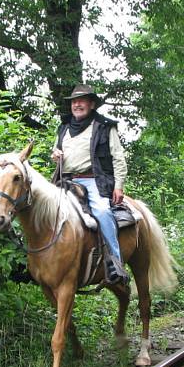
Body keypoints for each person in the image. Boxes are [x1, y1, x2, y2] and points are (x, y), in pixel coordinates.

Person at [51, 84, 129, 285]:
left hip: (94, 180)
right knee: (41, 209)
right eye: (74, 102)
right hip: (65, 181)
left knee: (103, 212)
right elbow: (57, 150)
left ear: (91, 104)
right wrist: (55, 154)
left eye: (81, 101)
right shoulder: (64, 128)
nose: (77, 105)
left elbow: (118, 158)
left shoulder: (104, 126)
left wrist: (118, 186)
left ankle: (115, 262)